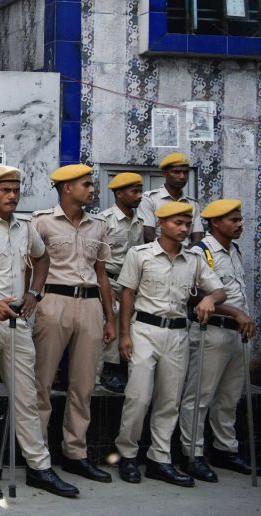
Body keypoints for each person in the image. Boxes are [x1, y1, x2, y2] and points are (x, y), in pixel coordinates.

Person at [0, 166, 78, 499]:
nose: (11, 195)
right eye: (5, 190)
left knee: (27, 396)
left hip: (17, 322)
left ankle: (39, 467)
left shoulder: (24, 228)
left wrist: (34, 294)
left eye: (16, 190)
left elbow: (43, 259)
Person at [114, 202, 225, 487]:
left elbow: (219, 289)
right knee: (138, 397)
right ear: (161, 224)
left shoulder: (194, 260)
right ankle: (127, 455)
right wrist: (124, 335)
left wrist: (210, 299)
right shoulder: (140, 255)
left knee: (169, 400)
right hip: (144, 330)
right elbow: (127, 294)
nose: (185, 229)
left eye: (188, 224)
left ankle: (159, 460)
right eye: (178, 223)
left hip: (177, 334)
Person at [29, 164, 115, 483]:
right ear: (67, 188)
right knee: (42, 381)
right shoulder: (41, 222)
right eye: (87, 184)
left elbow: (103, 273)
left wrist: (110, 319)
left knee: (84, 384)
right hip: (52, 302)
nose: (93, 189)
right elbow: (30, 266)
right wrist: (30, 300)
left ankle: (75, 453)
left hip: (90, 303)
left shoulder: (98, 226)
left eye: (92, 184)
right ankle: (36, 456)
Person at [178, 199, 257, 482]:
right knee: (199, 395)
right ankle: (193, 454)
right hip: (211, 331)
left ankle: (225, 449)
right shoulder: (201, 253)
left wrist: (241, 316)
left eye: (239, 219)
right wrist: (234, 312)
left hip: (238, 333)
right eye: (233, 220)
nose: (239, 224)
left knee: (229, 396)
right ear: (215, 223)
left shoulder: (233, 250)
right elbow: (195, 296)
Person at [100, 172, 145, 393]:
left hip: (131, 283)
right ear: (119, 194)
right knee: (112, 315)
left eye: (140, 191)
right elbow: (96, 259)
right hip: (108, 279)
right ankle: (108, 369)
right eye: (134, 191)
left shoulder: (139, 222)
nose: (139, 196)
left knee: (133, 322)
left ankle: (125, 365)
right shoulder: (105, 220)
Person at [137, 153, 201, 244]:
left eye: (185, 172)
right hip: (157, 254)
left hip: (187, 255)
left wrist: (186, 255)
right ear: (164, 174)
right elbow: (148, 235)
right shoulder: (150, 199)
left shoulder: (192, 204)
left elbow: (198, 238)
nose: (182, 176)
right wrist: (172, 252)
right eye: (176, 172)